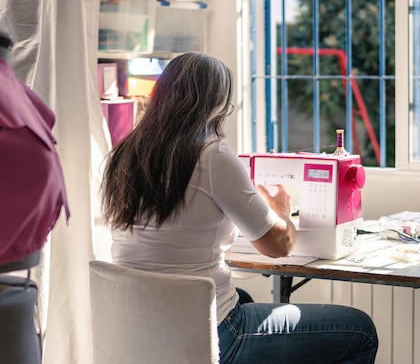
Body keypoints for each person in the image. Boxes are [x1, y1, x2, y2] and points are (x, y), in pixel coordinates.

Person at [100, 52, 378, 364]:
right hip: (209, 333)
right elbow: (279, 245)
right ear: (218, 105)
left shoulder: (123, 152)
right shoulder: (211, 156)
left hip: (141, 331)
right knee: (361, 332)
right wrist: (280, 208)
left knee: (243, 298)